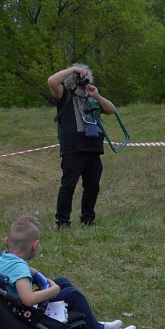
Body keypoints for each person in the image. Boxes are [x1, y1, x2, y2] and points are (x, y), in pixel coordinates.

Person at [0, 216, 135, 329]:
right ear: (35, 246)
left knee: (62, 281)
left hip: (11, 310)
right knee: (72, 295)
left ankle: (95, 326)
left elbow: (21, 274)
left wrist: (38, 275)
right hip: (26, 315)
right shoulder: (19, 268)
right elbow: (28, 299)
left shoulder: (3, 260)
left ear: (6, 242)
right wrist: (53, 290)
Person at [47, 64, 117, 228]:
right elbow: (52, 81)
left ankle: (88, 219)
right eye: (81, 80)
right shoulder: (64, 95)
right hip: (73, 148)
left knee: (92, 186)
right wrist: (73, 70)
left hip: (93, 148)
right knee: (68, 186)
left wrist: (97, 95)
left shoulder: (91, 99)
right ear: (71, 83)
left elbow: (111, 109)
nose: (84, 83)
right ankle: (63, 221)